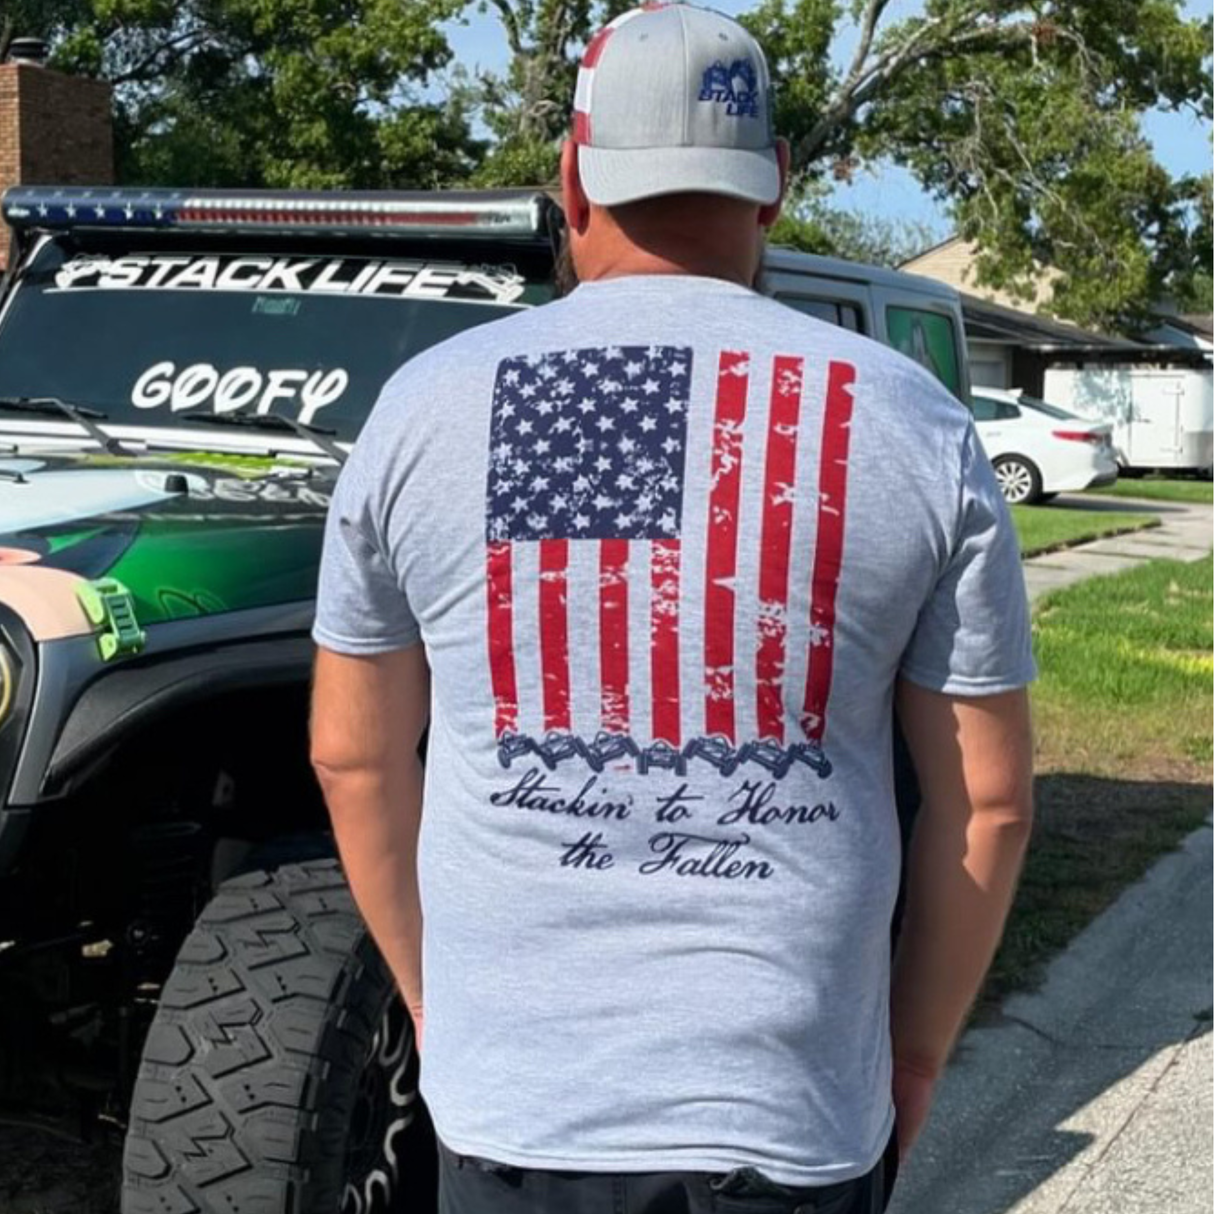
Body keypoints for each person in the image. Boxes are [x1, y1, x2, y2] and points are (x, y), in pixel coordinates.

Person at [309, 5, 1036, 1213]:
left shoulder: (423, 409)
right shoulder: (915, 424)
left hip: (514, 1110)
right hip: (787, 1108)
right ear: (774, 185)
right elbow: (988, 802)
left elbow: (353, 756)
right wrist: (909, 1058)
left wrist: (438, 1005)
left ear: (572, 178)